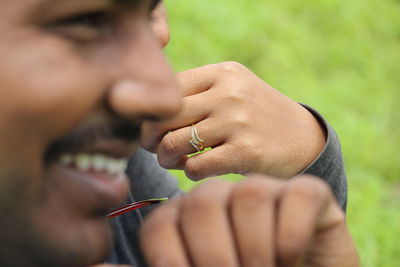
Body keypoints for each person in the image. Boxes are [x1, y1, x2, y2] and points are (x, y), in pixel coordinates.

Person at [0, 1, 357, 267]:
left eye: (150, 10)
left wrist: (310, 161)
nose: (164, 95)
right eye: (87, 20)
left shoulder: (105, 168)